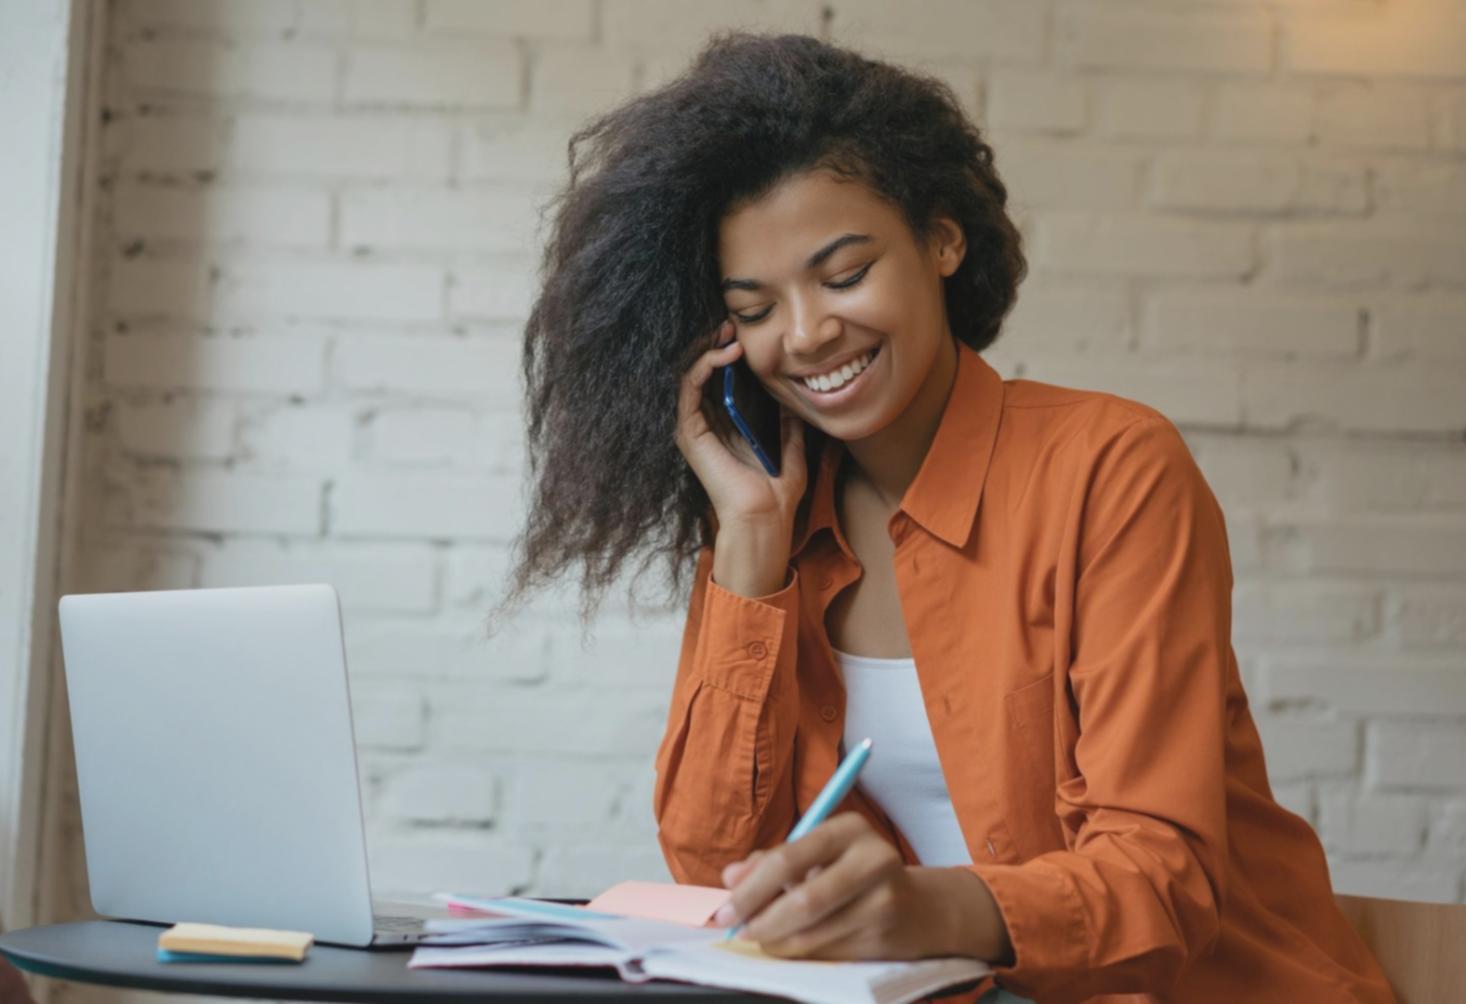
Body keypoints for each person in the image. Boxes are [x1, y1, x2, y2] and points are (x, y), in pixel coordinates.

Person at [506, 31, 1394, 1003]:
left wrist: (920, 907)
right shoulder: (772, 523)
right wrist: (751, 548)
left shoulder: (1111, 466)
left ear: (941, 239)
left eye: (844, 274)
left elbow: (1161, 881)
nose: (805, 334)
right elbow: (713, 865)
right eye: (754, 308)